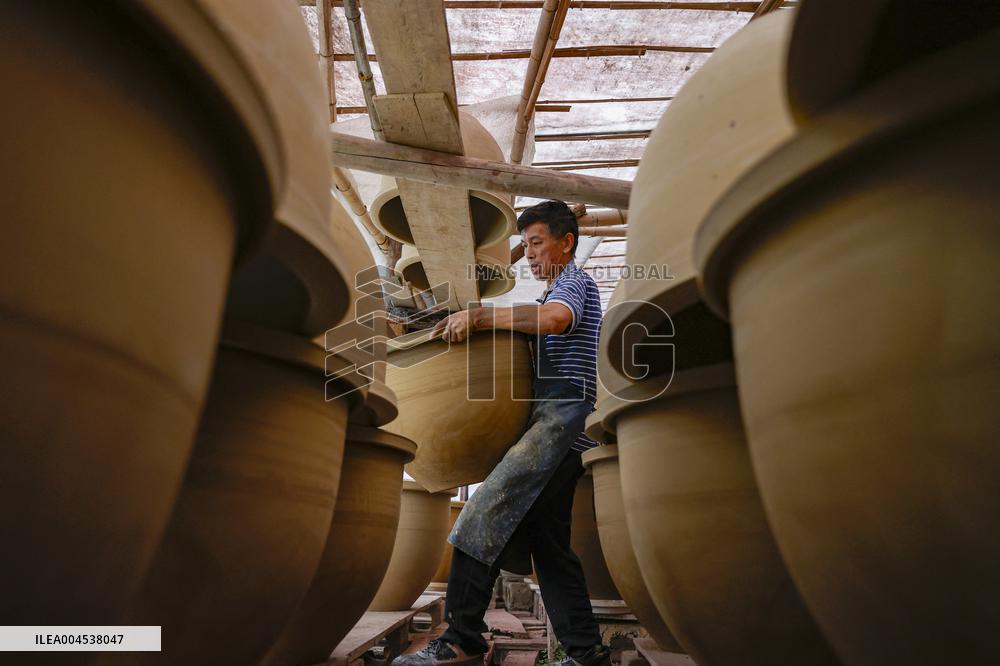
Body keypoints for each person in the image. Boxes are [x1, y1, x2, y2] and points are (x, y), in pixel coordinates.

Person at [392, 200, 608, 666]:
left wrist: (480, 316)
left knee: (479, 518)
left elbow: (554, 320)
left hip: (559, 425)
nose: (529, 254)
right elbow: (539, 323)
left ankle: (461, 638)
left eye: (536, 243)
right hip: (559, 429)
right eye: (524, 244)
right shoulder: (550, 293)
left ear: (566, 243)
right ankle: (587, 654)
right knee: (550, 550)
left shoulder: (572, 284)